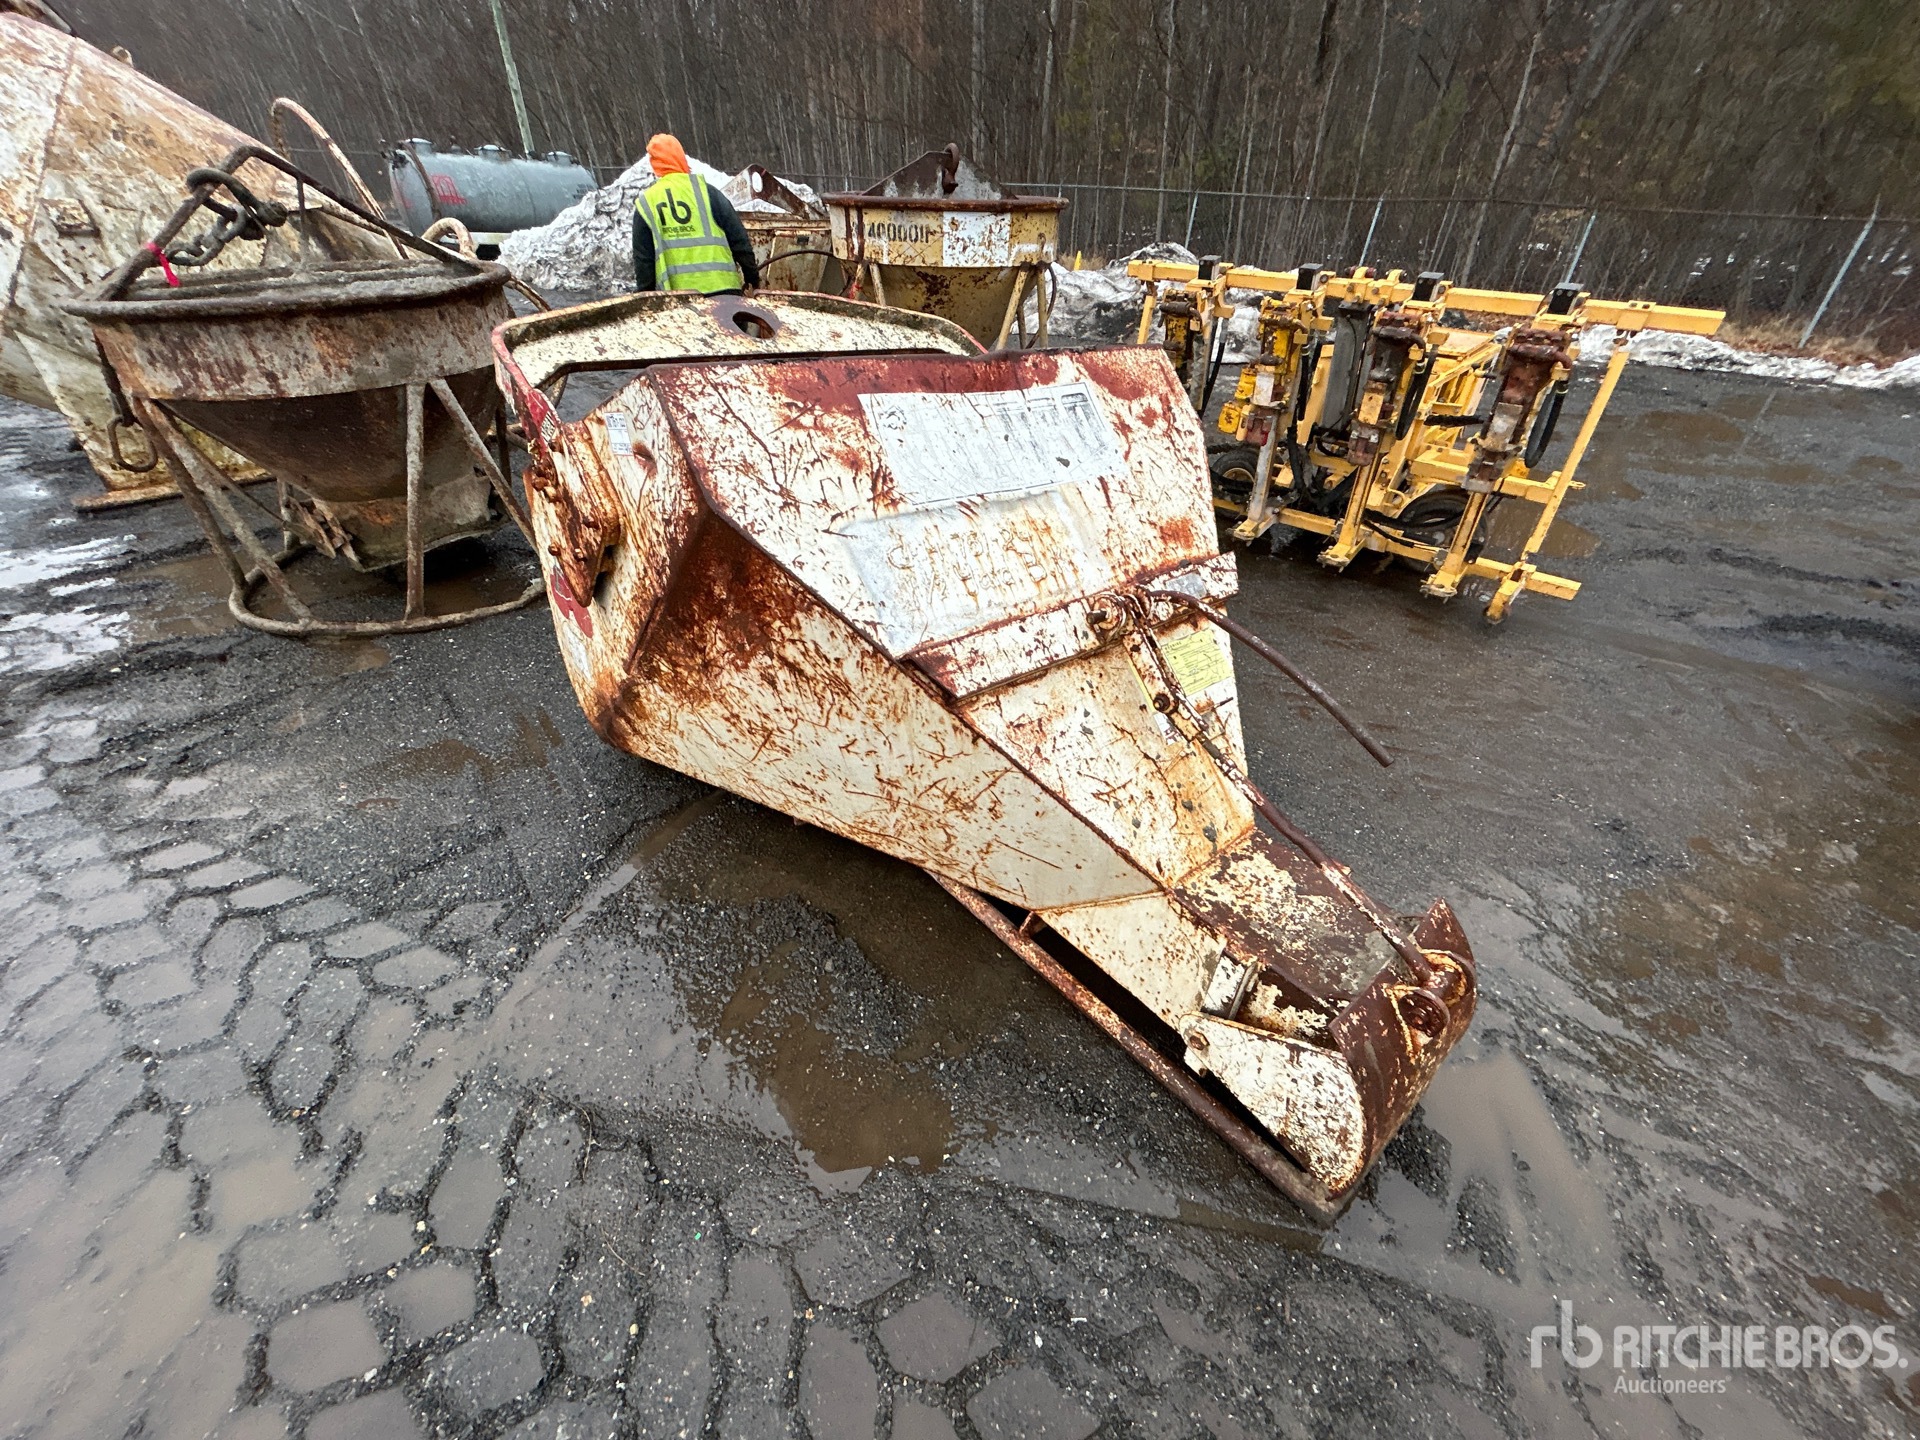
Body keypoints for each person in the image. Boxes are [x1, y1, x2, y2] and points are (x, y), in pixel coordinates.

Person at [631, 133, 760, 295]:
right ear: (682, 158)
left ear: (654, 165)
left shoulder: (646, 203)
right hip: (726, 294)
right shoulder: (707, 192)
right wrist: (753, 279)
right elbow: (739, 241)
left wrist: (646, 298)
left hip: (681, 299)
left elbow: (644, 263)